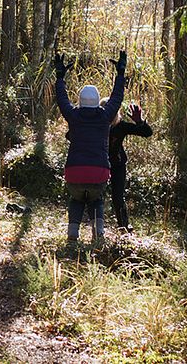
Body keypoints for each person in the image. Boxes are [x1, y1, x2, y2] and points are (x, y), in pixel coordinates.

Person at [54, 50, 126, 249]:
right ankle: (98, 235)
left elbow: (61, 100)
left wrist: (60, 77)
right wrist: (120, 75)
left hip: (74, 171)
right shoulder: (105, 117)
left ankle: (72, 235)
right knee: (96, 199)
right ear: (96, 101)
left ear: (80, 100)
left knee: (76, 199)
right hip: (99, 172)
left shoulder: (74, 116)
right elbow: (116, 98)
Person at [99, 99, 153, 233]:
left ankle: (124, 226)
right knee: (96, 195)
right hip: (99, 165)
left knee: (118, 196)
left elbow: (147, 132)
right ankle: (97, 227)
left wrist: (139, 121)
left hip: (117, 165)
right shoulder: (96, 125)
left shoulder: (120, 126)